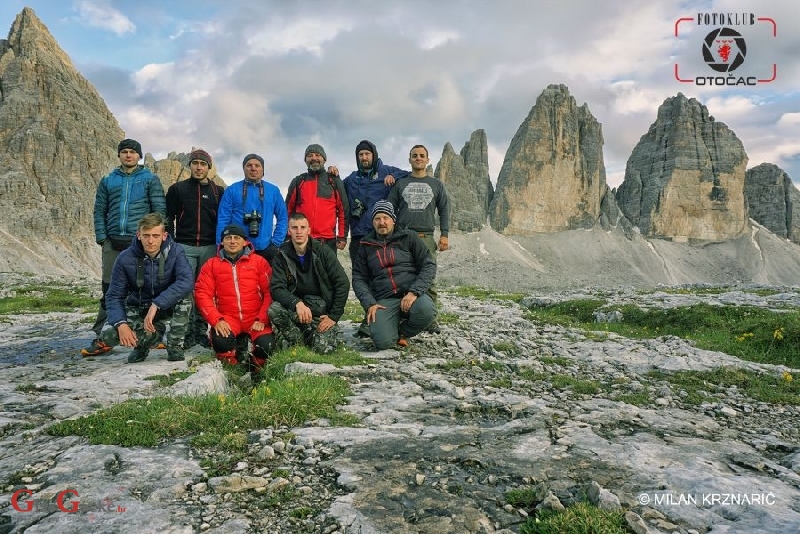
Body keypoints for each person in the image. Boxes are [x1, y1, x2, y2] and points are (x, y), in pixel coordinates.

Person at [82, 139, 167, 356]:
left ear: (139, 156)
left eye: (132, 152)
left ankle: (152, 332)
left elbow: (159, 210)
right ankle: (103, 336)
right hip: (113, 241)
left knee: (145, 286)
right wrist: (102, 237)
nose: (128, 155)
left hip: (138, 242)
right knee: (109, 288)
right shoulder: (108, 180)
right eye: (124, 152)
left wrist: (153, 239)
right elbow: (99, 209)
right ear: (119, 155)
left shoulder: (149, 179)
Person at [100, 212, 194, 363]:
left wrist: (157, 304)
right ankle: (147, 342)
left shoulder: (176, 252)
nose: (151, 241)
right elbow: (114, 296)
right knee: (109, 334)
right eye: (146, 235)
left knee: (185, 296)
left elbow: (186, 281)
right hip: (138, 307)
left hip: (165, 307)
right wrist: (121, 324)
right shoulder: (125, 258)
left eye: (155, 236)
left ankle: (175, 345)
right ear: (138, 235)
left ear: (164, 235)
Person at [351, 200, 436, 349]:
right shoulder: (365, 245)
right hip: (385, 299)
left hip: (411, 295)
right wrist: (369, 303)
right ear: (372, 222)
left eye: (386, 218)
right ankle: (389, 329)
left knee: (426, 311)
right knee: (382, 342)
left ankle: (402, 332)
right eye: (377, 219)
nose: (382, 222)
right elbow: (359, 278)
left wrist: (414, 292)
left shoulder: (409, 237)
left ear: (393, 220)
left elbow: (428, 264)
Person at [343, 140, 406, 337]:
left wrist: (392, 176)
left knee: (380, 278)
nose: (364, 158)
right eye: (360, 155)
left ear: (374, 155)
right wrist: (332, 172)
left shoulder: (385, 169)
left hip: (379, 236)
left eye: (367, 154)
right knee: (362, 278)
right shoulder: (351, 179)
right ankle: (368, 318)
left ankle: (385, 318)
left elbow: (407, 174)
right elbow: (335, 188)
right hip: (358, 236)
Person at [194, 224, 275, 373]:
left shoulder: (259, 262)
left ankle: (256, 369)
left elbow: (270, 292)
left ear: (245, 242)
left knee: (266, 346)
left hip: (255, 317)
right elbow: (202, 294)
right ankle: (233, 369)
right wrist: (216, 320)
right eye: (228, 238)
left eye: (237, 238)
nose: (232, 241)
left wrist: (262, 318)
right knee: (221, 342)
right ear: (222, 242)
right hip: (228, 318)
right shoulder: (211, 265)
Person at [165, 148, 225, 349]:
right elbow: (168, 218)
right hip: (184, 246)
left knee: (205, 291)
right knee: (185, 290)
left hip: (209, 247)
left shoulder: (218, 191)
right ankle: (185, 333)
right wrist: (171, 244)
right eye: (195, 163)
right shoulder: (177, 189)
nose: (199, 167)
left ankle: (200, 332)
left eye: (203, 164)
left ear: (209, 167)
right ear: (189, 165)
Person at [387, 144, 451, 333]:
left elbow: (445, 209)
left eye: (422, 155)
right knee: (401, 275)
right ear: (409, 160)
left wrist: (445, 234)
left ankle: (430, 319)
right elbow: (389, 208)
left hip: (426, 237)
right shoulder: (400, 183)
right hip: (403, 236)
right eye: (414, 155)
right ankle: (400, 316)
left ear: (427, 160)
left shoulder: (437, 184)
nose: (418, 158)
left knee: (428, 276)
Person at [269, 212, 350, 354]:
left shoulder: (323, 251)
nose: (298, 231)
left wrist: (333, 316)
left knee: (323, 350)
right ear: (289, 231)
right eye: (294, 228)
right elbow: (277, 288)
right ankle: (297, 341)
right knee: (274, 309)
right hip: (297, 310)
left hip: (321, 311)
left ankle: (315, 334)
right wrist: (296, 303)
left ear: (309, 230)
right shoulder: (281, 255)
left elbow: (342, 282)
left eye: (302, 227)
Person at [216, 153, 288, 265]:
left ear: (263, 170)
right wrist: (221, 245)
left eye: (257, 165)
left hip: (266, 247)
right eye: (249, 165)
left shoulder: (273, 191)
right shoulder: (232, 190)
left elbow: (283, 217)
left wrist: (276, 243)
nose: (253, 168)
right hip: (238, 248)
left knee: (267, 281)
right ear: (243, 169)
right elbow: (223, 219)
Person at [285, 144, 349, 253]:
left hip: (328, 240)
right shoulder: (298, 181)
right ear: (305, 160)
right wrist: (288, 234)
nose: (314, 158)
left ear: (324, 159)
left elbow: (343, 210)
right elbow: (288, 210)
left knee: (326, 270)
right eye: (310, 155)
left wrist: (342, 236)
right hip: (301, 238)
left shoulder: (334, 181)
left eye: (318, 155)